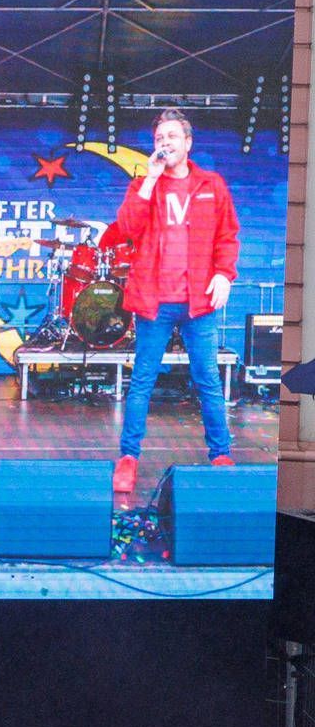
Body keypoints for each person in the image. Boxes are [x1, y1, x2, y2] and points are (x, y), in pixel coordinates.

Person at [100, 108, 241, 498]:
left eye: (172, 137)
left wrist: (224, 274)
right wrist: (150, 179)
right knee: (142, 381)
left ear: (188, 143)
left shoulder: (211, 184)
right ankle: (128, 458)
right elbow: (126, 228)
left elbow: (227, 236)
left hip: (198, 301)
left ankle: (221, 454)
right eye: (160, 138)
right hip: (155, 300)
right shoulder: (144, 185)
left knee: (208, 380)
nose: (165, 144)